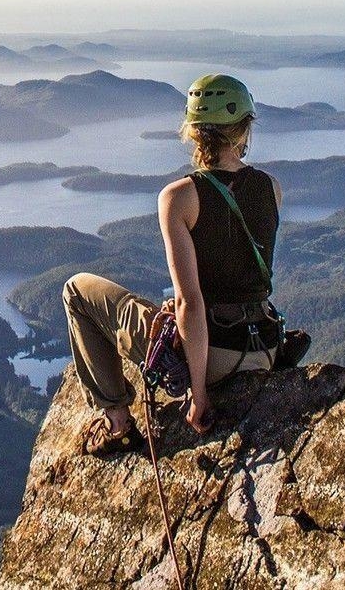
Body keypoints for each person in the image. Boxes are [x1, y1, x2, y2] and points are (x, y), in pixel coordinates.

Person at [63, 74, 284, 457]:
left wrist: (198, 395)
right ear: (245, 128)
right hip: (264, 348)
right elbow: (239, 273)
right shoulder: (271, 187)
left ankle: (115, 417)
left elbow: (190, 303)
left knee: (77, 289)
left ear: (194, 132)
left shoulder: (180, 197)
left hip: (216, 357)